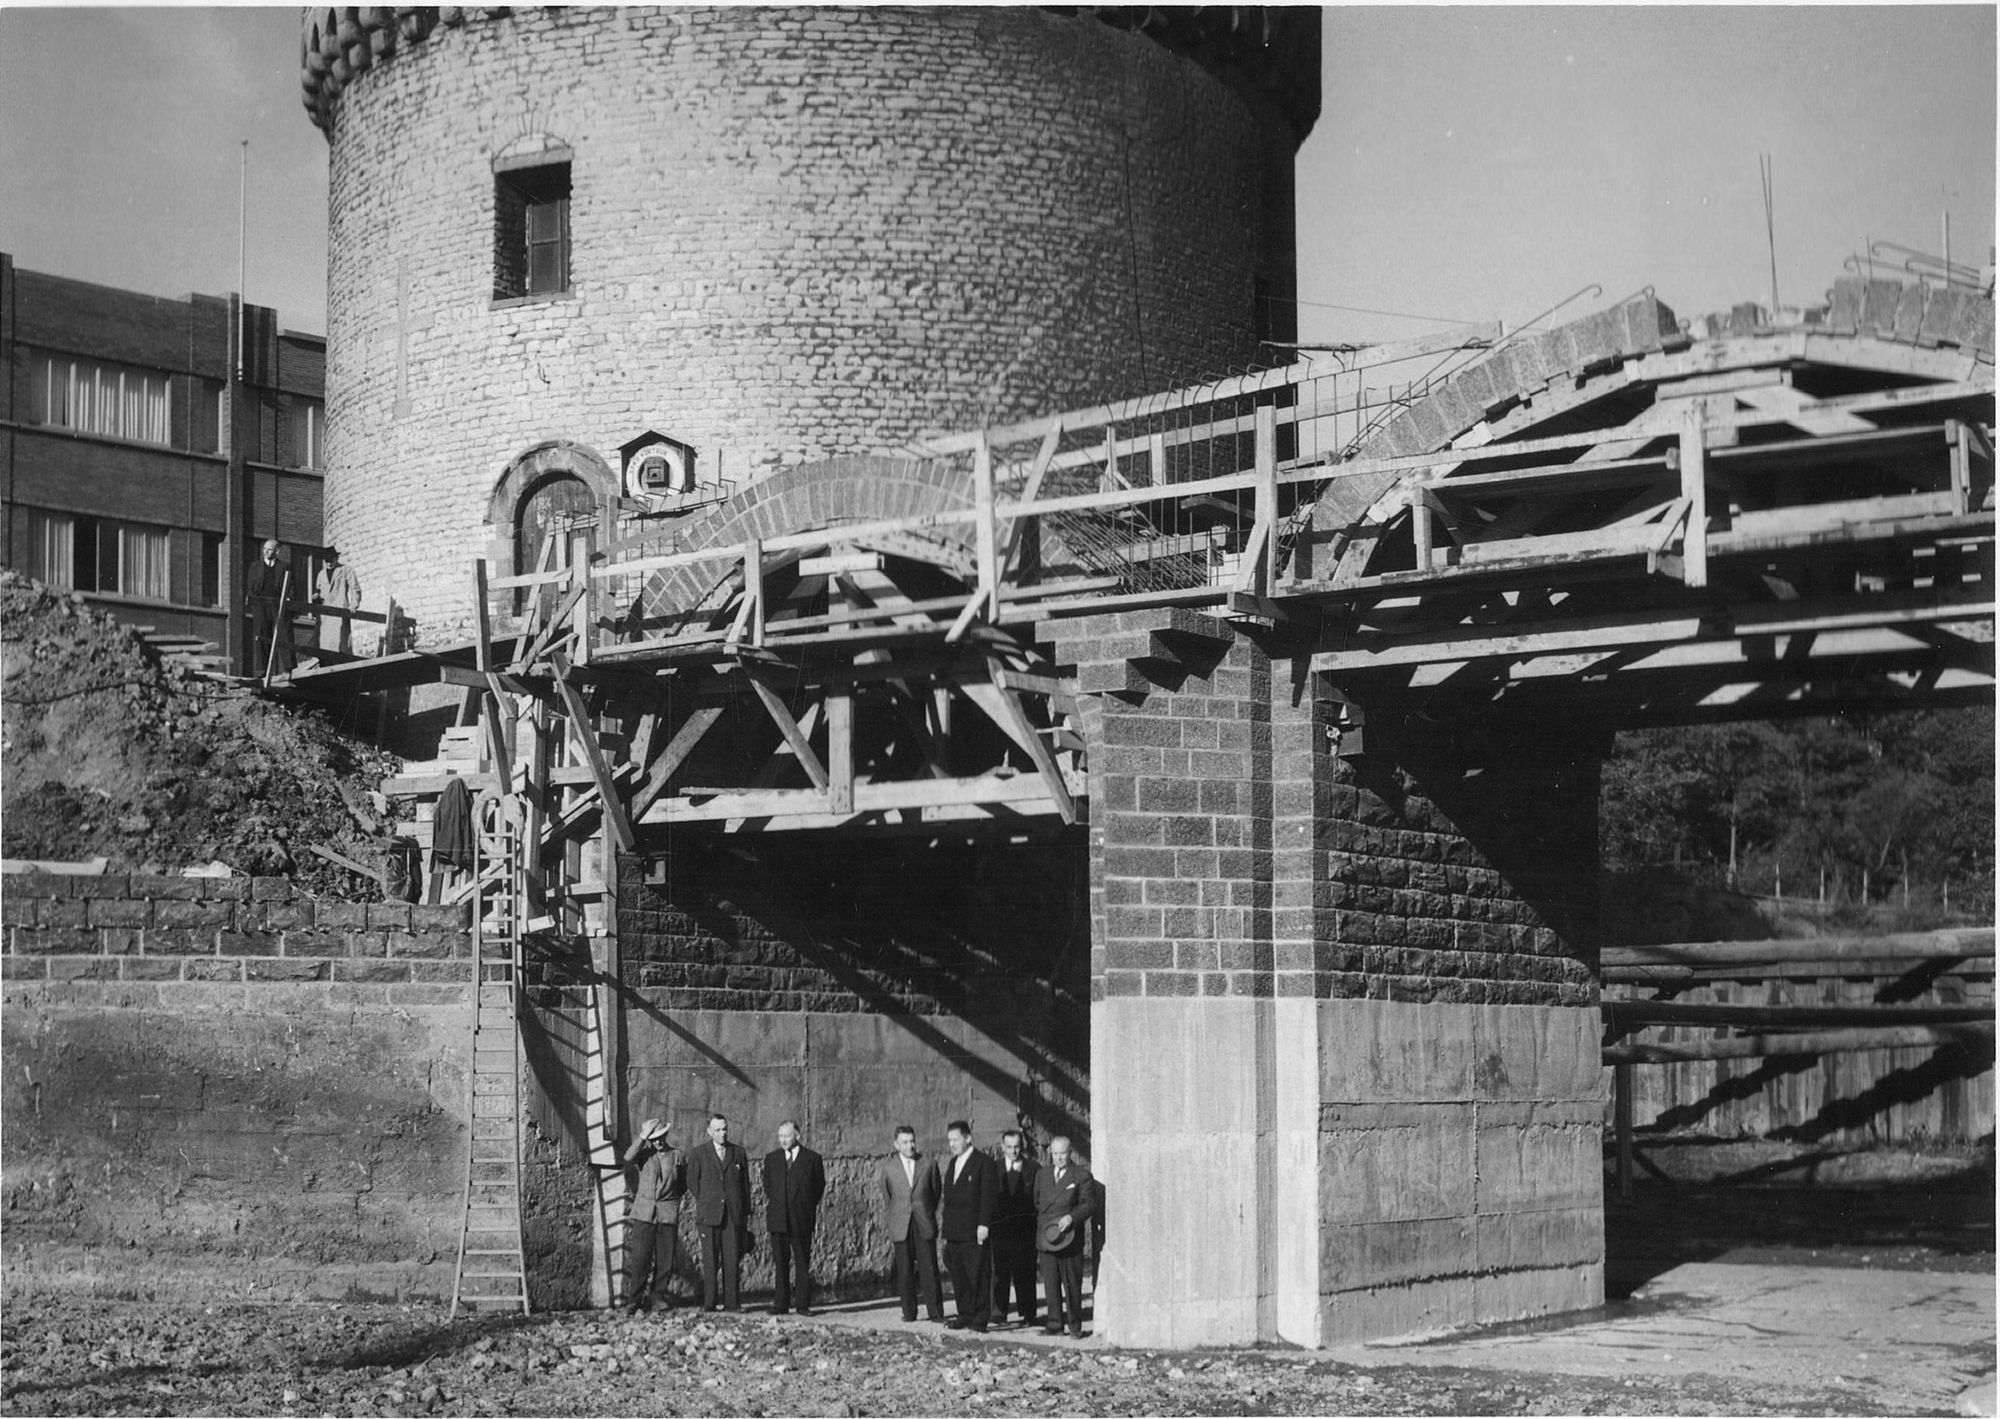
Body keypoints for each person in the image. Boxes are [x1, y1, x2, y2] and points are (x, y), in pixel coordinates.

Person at [873, 1124, 943, 1323]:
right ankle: (909, 1312)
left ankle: (935, 1312)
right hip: (901, 1222)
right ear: (896, 1144)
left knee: (929, 1266)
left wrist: (925, 1210)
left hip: (923, 1220)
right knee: (904, 1270)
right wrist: (900, 1210)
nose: (910, 1146)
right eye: (905, 1142)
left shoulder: (929, 1164)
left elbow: (935, 1191)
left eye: (912, 1141)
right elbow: (888, 1196)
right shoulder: (888, 1167)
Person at [684, 1113, 751, 1311]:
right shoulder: (699, 1153)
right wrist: (707, 1199)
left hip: (732, 1214)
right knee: (710, 1259)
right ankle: (710, 1302)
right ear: (709, 1132)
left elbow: (744, 1184)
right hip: (709, 1213)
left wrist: (744, 1212)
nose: (722, 1133)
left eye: (725, 1129)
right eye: (718, 1130)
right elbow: (692, 1182)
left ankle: (732, 1302)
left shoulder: (737, 1152)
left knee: (731, 1258)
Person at [937, 1119, 998, 1332]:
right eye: (949, 1140)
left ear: (968, 1138)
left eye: (956, 1139)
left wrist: (984, 1224)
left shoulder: (983, 1163)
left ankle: (981, 1318)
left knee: (978, 1275)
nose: (952, 1144)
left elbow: (988, 1196)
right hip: (955, 1231)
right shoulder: (953, 1163)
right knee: (959, 1275)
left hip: (974, 1230)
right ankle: (965, 1313)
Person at [619, 1117, 684, 1313]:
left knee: (665, 1258)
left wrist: (671, 1200)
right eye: (654, 1139)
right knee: (640, 1257)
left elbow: (682, 1183)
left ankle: (658, 1297)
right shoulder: (644, 1154)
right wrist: (642, 1136)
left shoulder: (677, 1155)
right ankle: (634, 1300)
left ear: (666, 1135)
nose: (658, 1142)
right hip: (645, 1213)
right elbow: (628, 1157)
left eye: (661, 1137)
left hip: (667, 1212)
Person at [762, 1119, 827, 1316]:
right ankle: (781, 1304)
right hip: (778, 1218)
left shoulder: (812, 1159)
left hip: (801, 1219)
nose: (783, 1140)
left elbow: (818, 1188)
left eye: (787, 1136)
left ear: (797, 1135)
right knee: (781, 1263)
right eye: (780, 1136)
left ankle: (802, 1305)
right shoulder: (772, 1159)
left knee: (802, 1262)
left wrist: (804, 1207)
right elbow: (768, 1186)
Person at [1033, 1135, 1095, 1339]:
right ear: (1050, 1153)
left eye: (1063, 1153)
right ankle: (1054, 1324)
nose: (1059, 1158)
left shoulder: (1081, 1175)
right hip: (1048, 1235)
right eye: (1055, 1153)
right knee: (1050, 1282)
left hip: (1070, 1237)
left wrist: (1071, 1217)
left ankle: (1075, 1326)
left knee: (1072, 1284)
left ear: (1071, 1153)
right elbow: (1037, 1202)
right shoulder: (1042, 1174)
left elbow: (1088, 1205)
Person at [990, 1129, 1040, 1329]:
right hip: (1000, 1230)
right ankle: (998, 1312)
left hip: (1024, 1230)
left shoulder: (1033, 1168)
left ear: (1022, 1146)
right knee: (999, 1272)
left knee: (1025, 1272)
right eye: (1009, 1147)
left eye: (1017, 1147)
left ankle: (1028, 1313)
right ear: (1002, 1147)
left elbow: (1038, 1198)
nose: (1013, 1151)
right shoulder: (993, 1168)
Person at [244, 538, 294, 677]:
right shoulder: (255, 566)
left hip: (278, 605)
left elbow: (290, 586)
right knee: (262, 636)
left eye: (269, 549)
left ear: (277, 551)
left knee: (284, 635)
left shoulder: (285, 566)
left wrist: (288, 599)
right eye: (264, 549)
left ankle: (288, 669)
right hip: (261, 606)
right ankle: (262, 672)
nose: (265, 551)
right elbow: (251, 587)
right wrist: (254, 602)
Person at [313, 545, 362, 655]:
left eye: (331, 560)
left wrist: (353, 606)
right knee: (325, 645)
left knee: (341, 644)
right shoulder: (321, 574)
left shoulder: (346, 570)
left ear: (336, 558)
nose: (329, 563)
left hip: (340, 610)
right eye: (327, 561)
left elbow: (355, 589)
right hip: (325, 614)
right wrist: (316, 598)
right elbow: (319, 591)